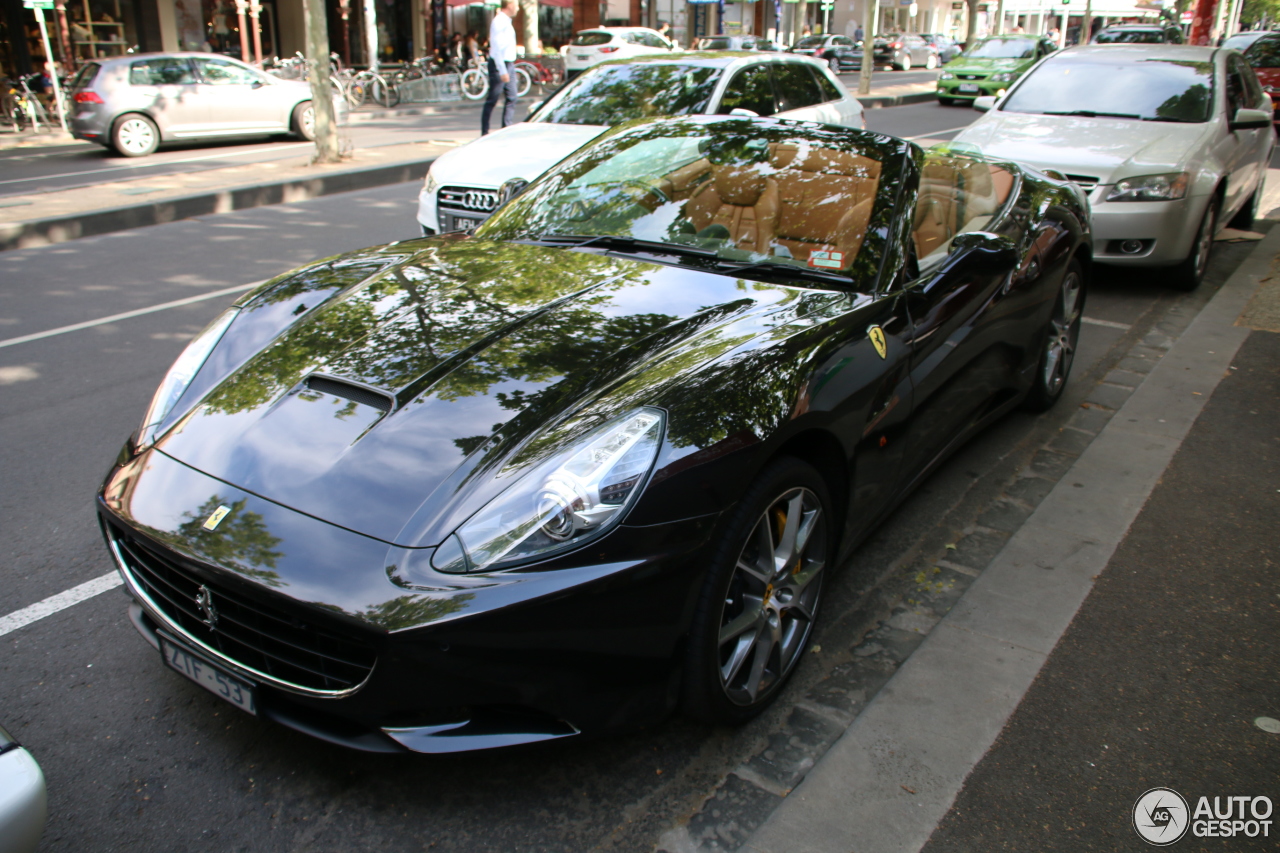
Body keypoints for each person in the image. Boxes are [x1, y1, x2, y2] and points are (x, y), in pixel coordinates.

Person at [482, 0, 518, 136]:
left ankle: (506, 129)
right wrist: (502, 70)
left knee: (512, 97)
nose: (518, 9)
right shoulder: (499, 22)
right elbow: (496, 48)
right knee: (493, 99)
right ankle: (484, 132)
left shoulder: (507, 21)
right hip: (499, 64)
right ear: (509, 5)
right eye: (516, 5)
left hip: (509, 63)